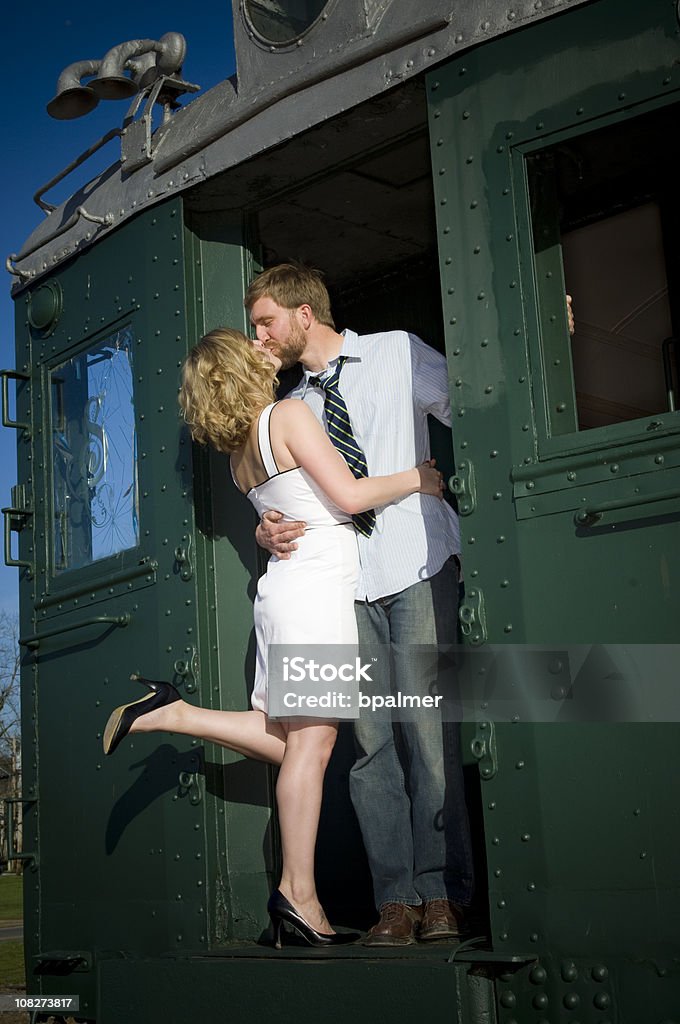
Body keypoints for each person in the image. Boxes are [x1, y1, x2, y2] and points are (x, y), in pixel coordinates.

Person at [102, 327, 444, 949]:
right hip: (314, 598)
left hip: (285, 595)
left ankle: (173, 711)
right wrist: (417, 479)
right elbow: (347, 495)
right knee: (310, 751)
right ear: (240, 367)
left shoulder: (240, 454)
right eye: (249, 344)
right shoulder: (286, 415)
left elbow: (297, 509)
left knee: (293, 745)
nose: (263, 347)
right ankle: (299, 896)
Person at [245, 263, 474, 946]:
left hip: (416, 565)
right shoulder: (296, 408)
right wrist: (264, 528)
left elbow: (478, 409)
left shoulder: (399, 352)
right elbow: (293, 498)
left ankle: (441, 895)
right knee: (373, 752)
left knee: (429, 740)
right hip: (347, 587)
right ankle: (394, 903)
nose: (258, 335)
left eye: (266, 322)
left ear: (304, 314)